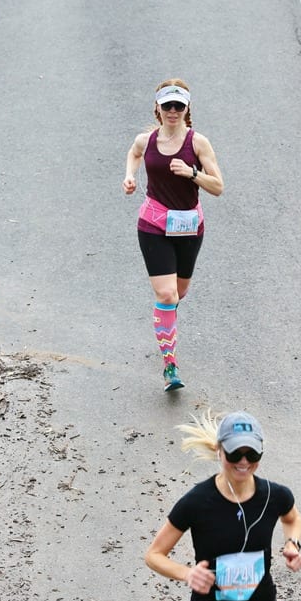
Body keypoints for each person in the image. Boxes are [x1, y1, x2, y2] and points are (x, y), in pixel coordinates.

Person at [145, 409, 301, 601]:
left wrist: (292, 544)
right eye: (235, 454)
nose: (244, 462)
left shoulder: (275, 495)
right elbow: (154, 554)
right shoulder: (197, 502)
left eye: (252, 454)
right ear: (220, 450)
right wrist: (188, 573)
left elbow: (292, 517)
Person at [123, 79, 223, 391]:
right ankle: (170, 365)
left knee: (179, 293)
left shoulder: (198, 143)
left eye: (179, 105)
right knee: (166, 294)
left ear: (187, 108)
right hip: (153, 224)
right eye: (167, 105)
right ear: (158, 107)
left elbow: (218, 187)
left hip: (189, 226)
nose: (173, 111)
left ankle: (167, 324)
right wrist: (129, 176)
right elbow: (134, 153)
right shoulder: (146, 140)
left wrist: (192, 173)